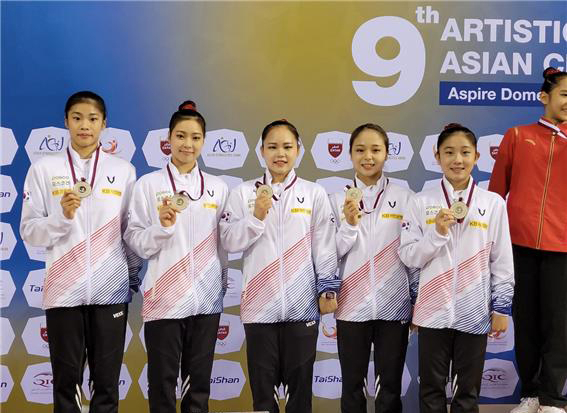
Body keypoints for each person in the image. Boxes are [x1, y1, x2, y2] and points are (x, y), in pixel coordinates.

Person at [20, 90, 141, 413]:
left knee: (107, 382)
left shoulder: (124, 171)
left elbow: (130, 232)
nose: (84, 125)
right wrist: (62, 218)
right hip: (63, 293)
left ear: (104, 124)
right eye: (77, 118)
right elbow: (29, 231)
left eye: (92, 118)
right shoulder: (44, 170)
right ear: (66, 122)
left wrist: (129, 280)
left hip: (110, 292)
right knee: (66, 382)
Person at [219, 119, 339, 413]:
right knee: (263, 396)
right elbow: (229, 242)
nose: (280, 154)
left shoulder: (314, 194)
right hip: (259, 310)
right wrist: (256, 216)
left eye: (287, 146)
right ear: (261, 151)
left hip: (302, 309)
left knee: (300, 397)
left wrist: (326, 288)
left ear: (299, 150)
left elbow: (324, 245)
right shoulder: (244, 193)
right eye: (272, 147)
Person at [399, 123, 514, 413]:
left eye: (464, 152)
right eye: (449, 152)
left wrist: (501, 308)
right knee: (431, 390)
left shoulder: (493, 203)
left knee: (467, 392)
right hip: (432, 314)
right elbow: (409, 256)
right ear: (437, 157)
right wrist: (436, 233)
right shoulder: (421, 201)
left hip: (474, 312)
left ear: (477, 156)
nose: (457, 160)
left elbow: (501, 260)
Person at [124, 101, 228, 413]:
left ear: (204, 141)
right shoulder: (148, 185)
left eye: (195, 137)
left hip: (207, 300)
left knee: (198, 387)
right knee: (162, 383)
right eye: (181, 136)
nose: (188, 144)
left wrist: (220, 284)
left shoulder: (219, 188)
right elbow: (136, 242)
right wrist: (161, 227)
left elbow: (223, 246)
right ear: (168, 139)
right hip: (163, 300)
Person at [489, 67, 567, 413]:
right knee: (527, 323)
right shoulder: (517, 136)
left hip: (563, 247)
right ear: (544, 97)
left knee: (559, 324)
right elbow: (493, 197)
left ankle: (552, 398)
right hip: (518, 246)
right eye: (564, 94)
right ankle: (530, 394)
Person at [330, 123, 417, 413]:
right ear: (350, 154)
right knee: (352, 385)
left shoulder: (406, 198)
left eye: (376, 149)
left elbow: (413, 254)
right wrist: (349, 225)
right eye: (360, 150)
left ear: (387, 154)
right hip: (350, 306)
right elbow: (330, 254)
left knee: (389, 386)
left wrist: (416, 301)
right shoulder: (335, 199)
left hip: (394, 307)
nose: (368, 156)